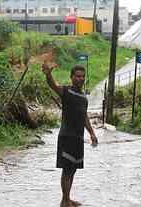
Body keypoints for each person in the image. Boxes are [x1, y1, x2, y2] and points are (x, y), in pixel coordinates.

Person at [42, 63, 98, 207]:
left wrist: (91, 133)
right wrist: (48, 75)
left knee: (73, 169)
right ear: (72, 77)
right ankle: (66, 201)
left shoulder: (83, 97)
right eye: (78, 76)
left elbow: (84, 116)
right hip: (66, 136)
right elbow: (53, 85)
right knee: (67, 169)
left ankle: (66, 199)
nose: (80, 79)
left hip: (78, 138)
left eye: (83, 76)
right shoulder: (66, 91)